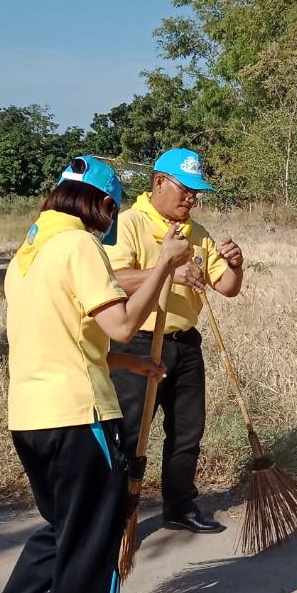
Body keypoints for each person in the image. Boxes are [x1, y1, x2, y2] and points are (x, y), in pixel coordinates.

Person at [0, 156, 191, 593]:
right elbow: (124, 322)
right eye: (111, 209)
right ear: (102, 205)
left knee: (65, 529)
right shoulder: (79, 246)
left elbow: (64, 337)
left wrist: (129, 364)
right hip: (79, 418)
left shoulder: (28, 253)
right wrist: (164, 263)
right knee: (96, 539)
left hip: (31, 417)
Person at [107, 148, 244, 534]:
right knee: (130, 433)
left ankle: (180, 506)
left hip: (185, 344)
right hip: (136, 344)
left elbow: (227, 288)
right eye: (186, 190)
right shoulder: (128, 224)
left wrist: (235, 265)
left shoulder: (197, 233)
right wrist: (166, 271)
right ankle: (116, 512)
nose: (192, 199)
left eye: (197, 192)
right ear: (158, 183)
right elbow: (112, 279)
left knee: (188, 431)